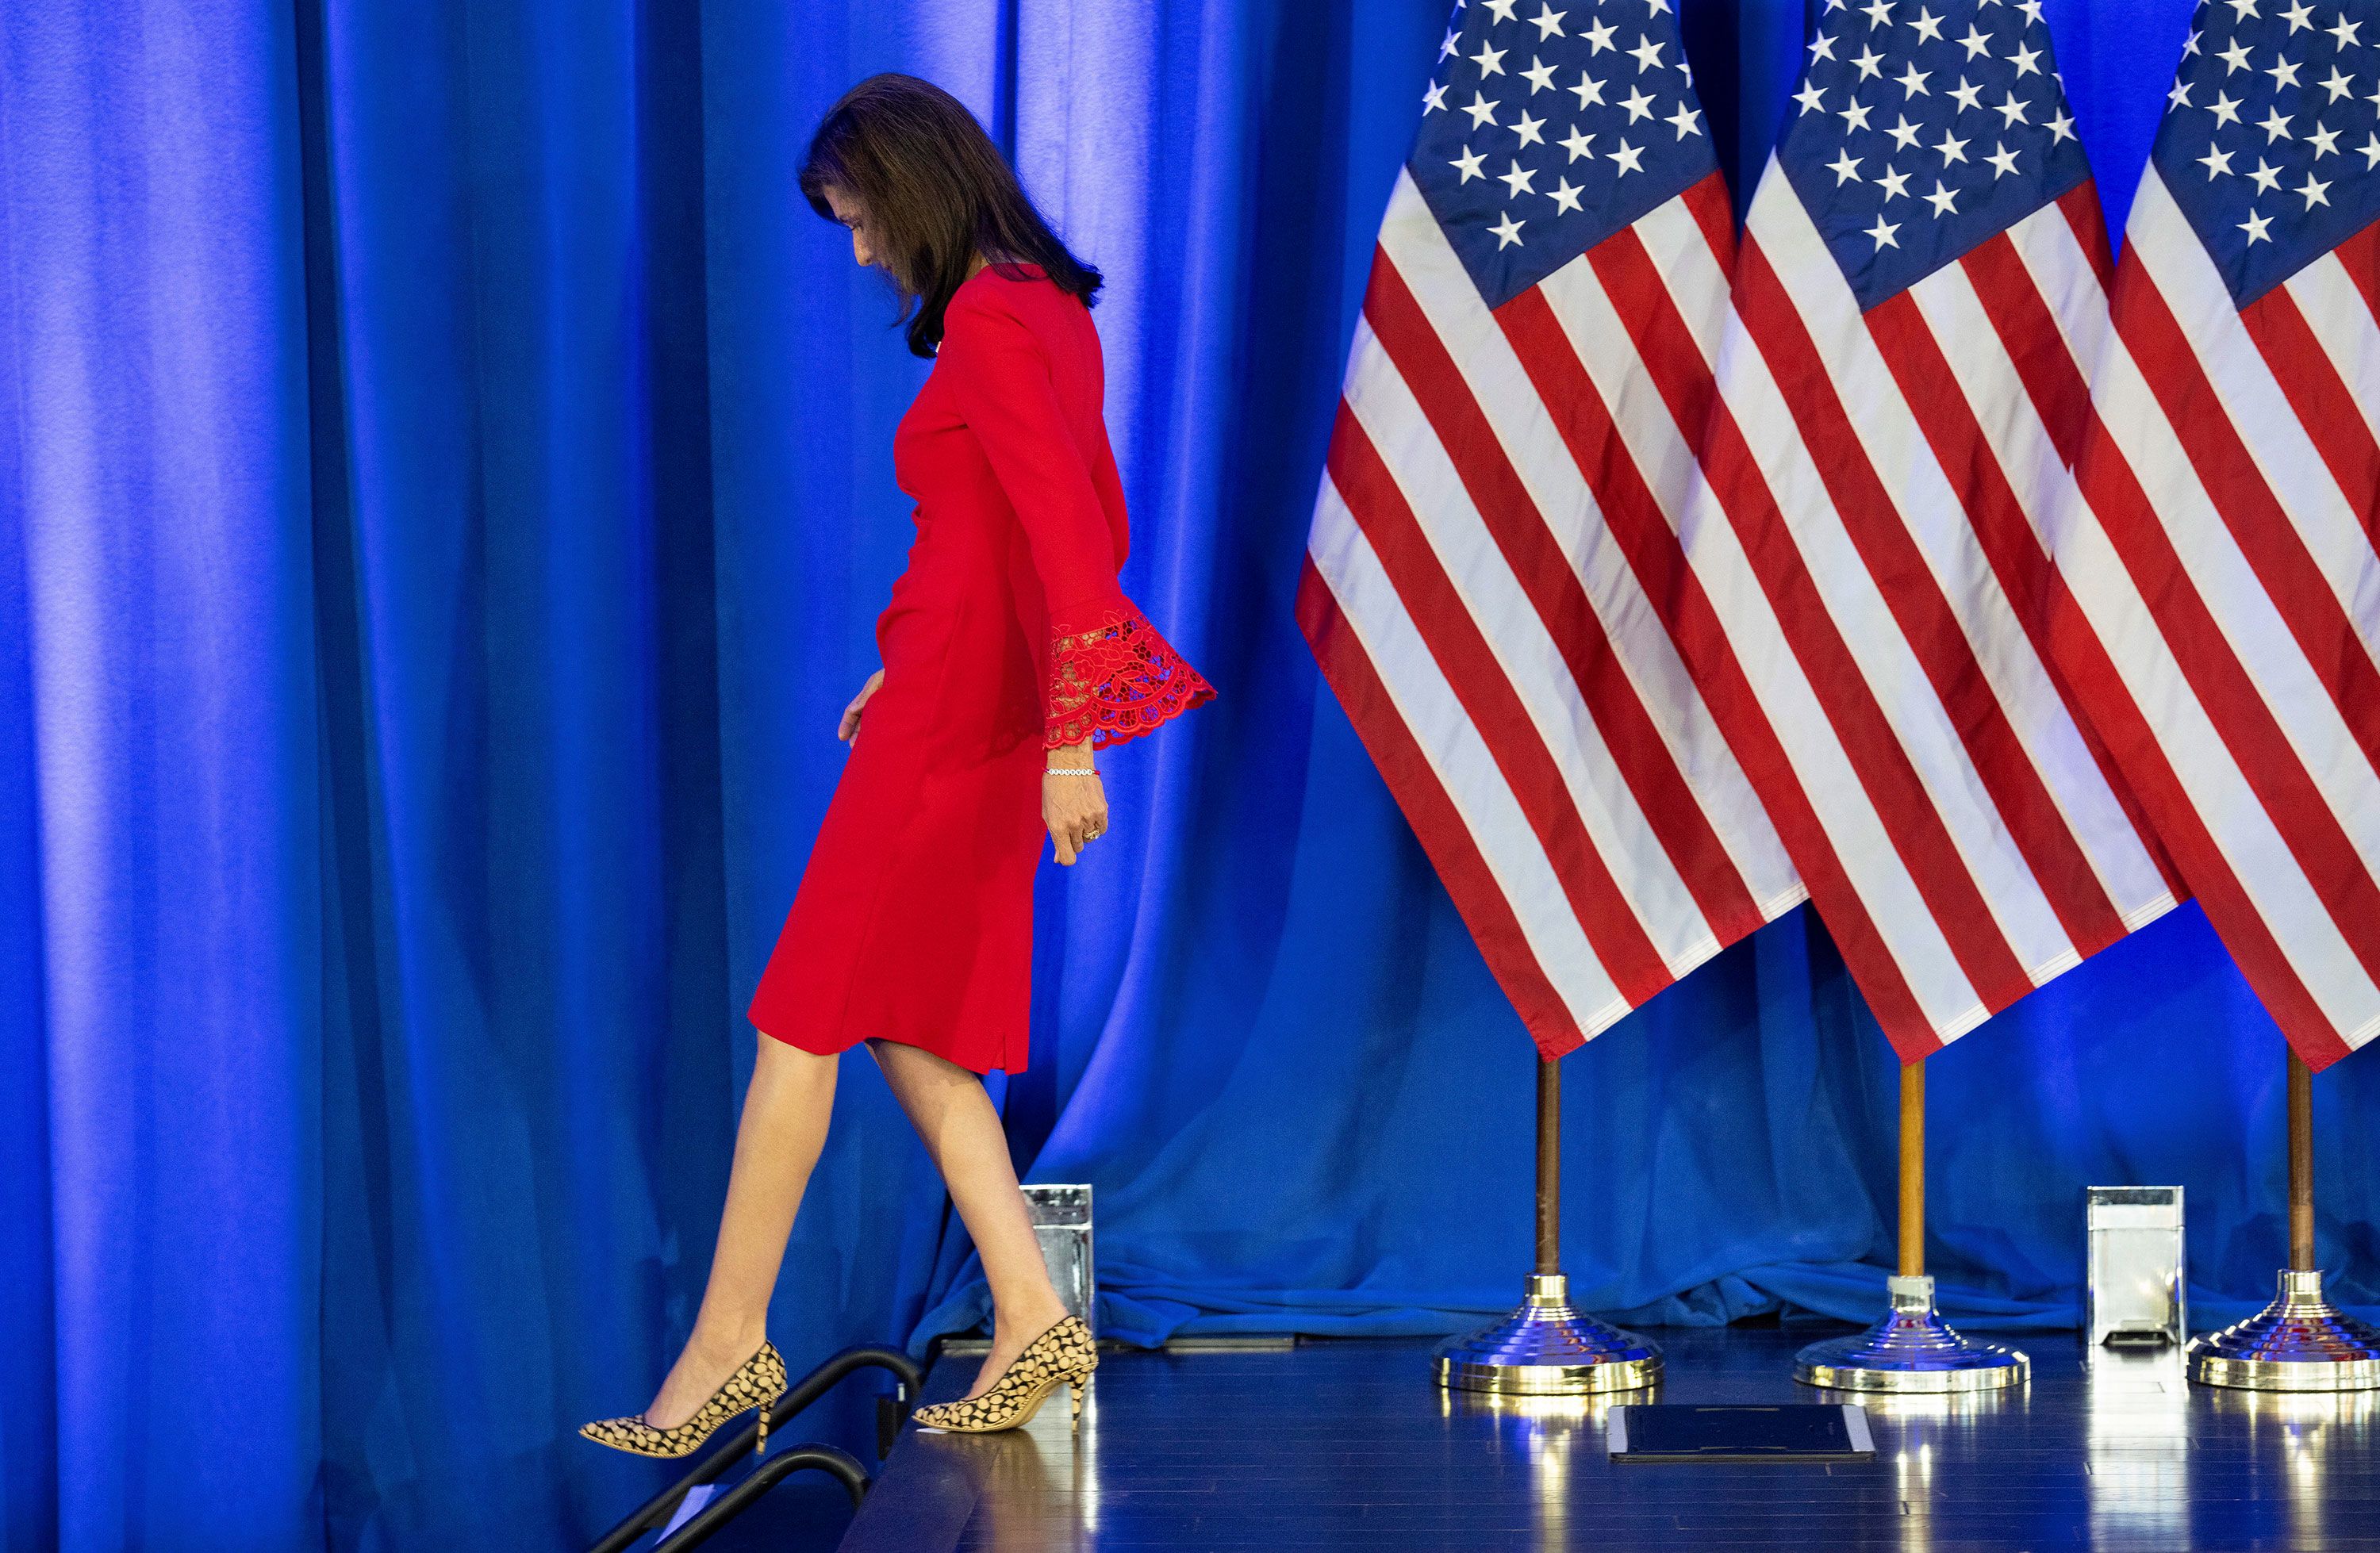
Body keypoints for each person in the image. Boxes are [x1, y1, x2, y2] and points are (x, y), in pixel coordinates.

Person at [579, 72, 1212, 1457]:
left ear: (914, 186)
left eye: (863, 219)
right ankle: (1035, 1308)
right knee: (910, 1027)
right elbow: (1004, 532)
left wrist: (1072, 737)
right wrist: (922, 660)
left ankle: (729, 1343)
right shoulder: (1043, 303)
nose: (863, 252)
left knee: (802, 1018)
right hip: (939, 705)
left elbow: (1070, 540)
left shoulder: (990, 315)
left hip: (954, 741)